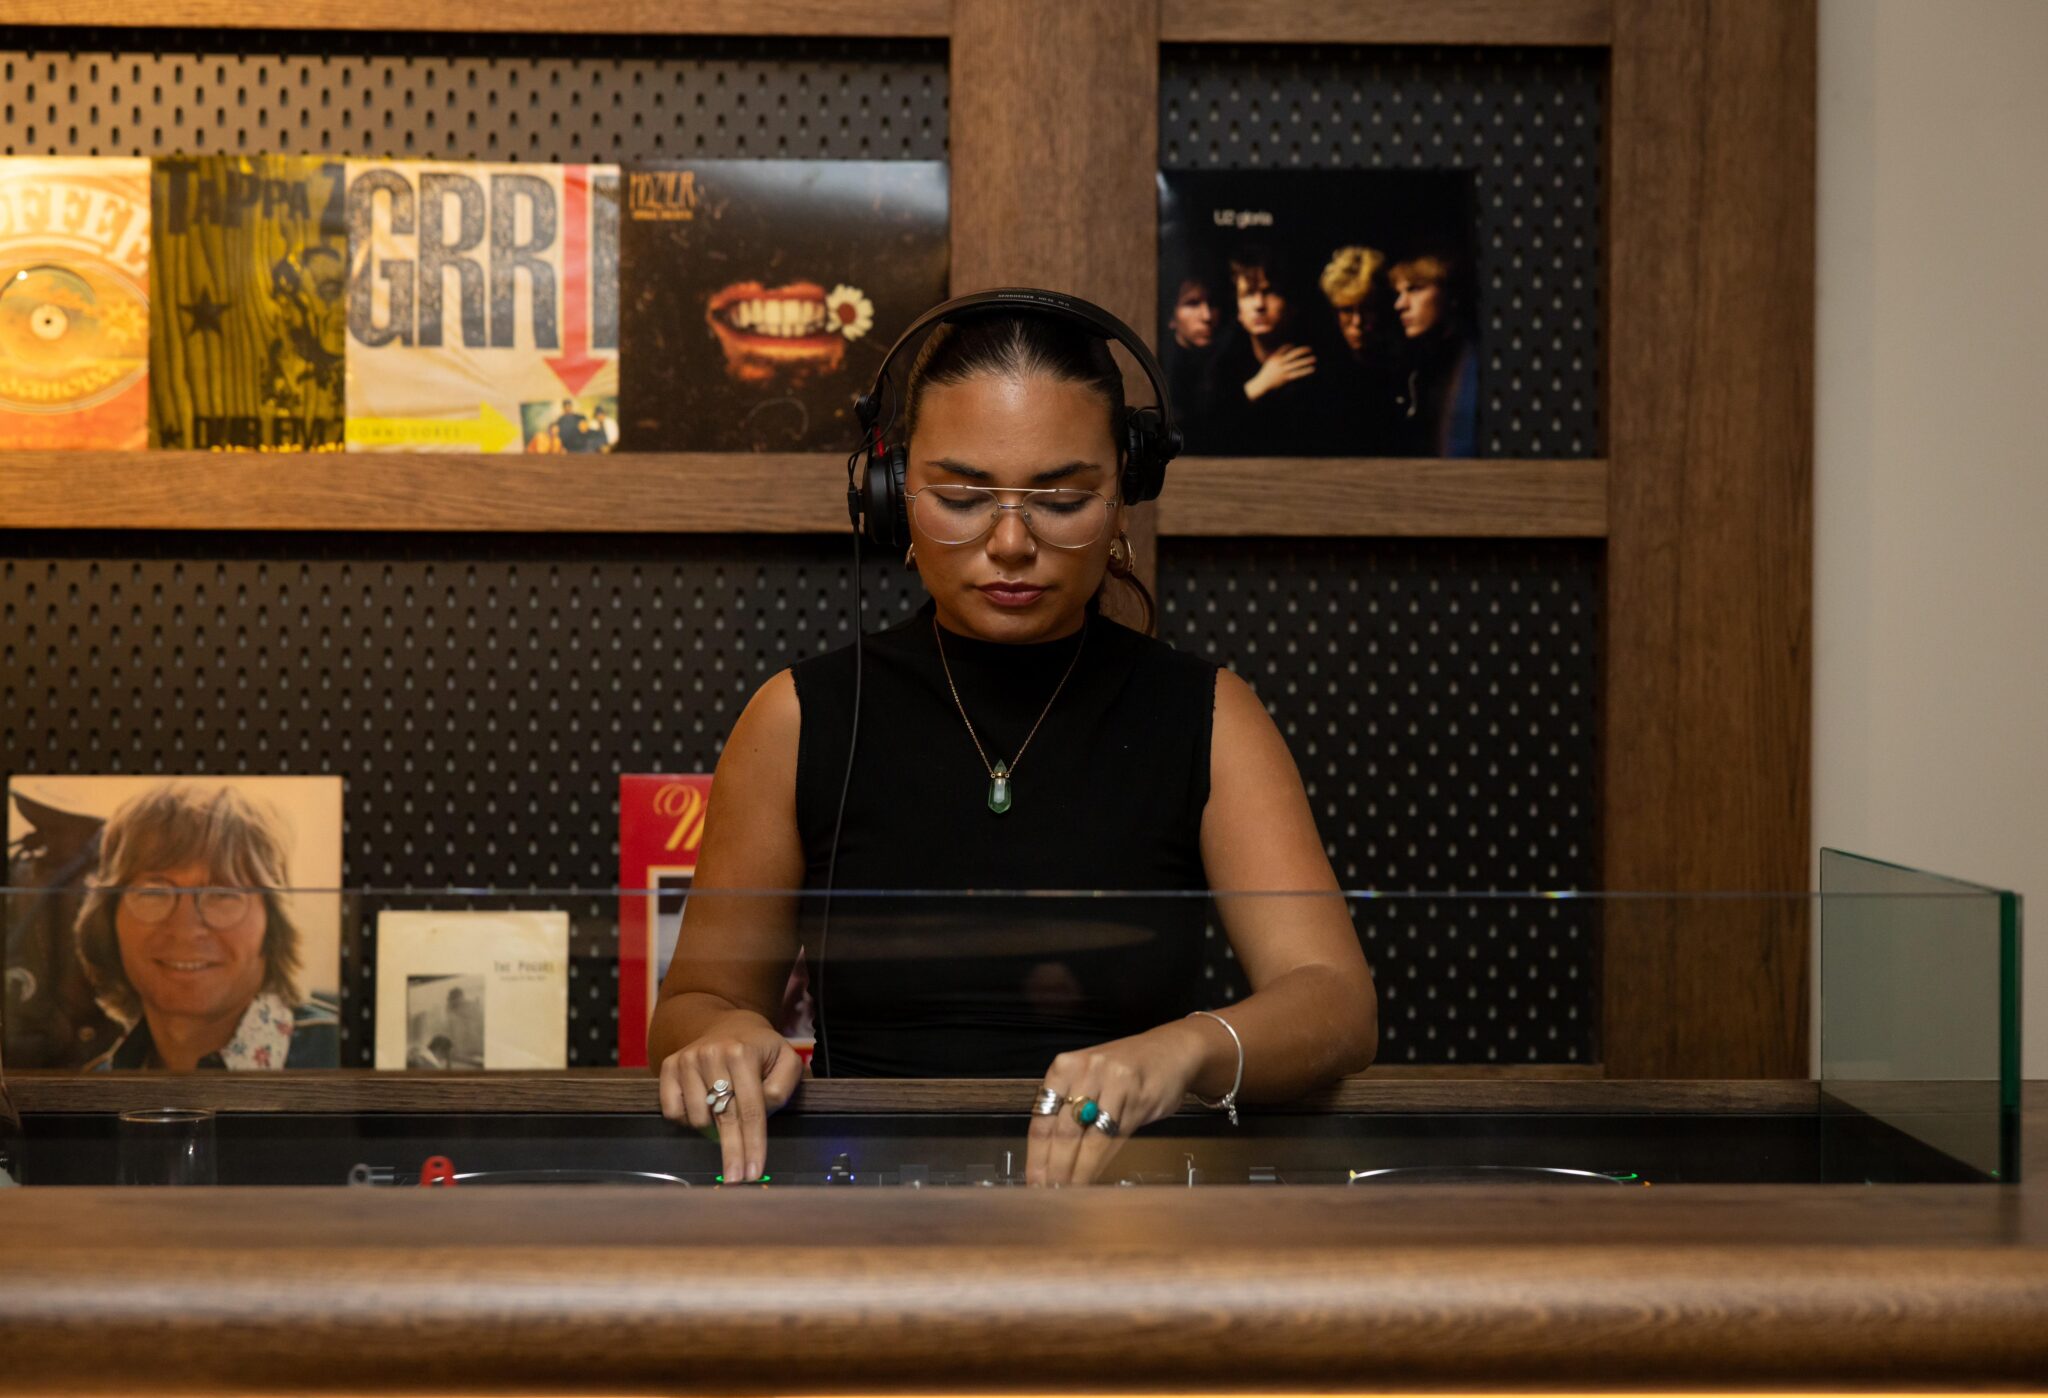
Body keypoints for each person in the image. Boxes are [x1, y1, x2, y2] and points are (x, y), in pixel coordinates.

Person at [649, 299, 1377, 1185]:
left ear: (1123, 497)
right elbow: (693, 1004)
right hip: (866, 1217)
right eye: (961, 498)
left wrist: (1188, 1049)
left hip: (1128, 1220)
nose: (1008, 543)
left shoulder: (1213, 715)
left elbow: (1335, 1002)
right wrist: (723, 1035)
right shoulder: (796, 715)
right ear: (890, 494)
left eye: (1061, 500)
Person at [73, 784, 339, 1071]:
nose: (185, 929)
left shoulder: (341, 1058)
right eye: (155, 893)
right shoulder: (96, 1084)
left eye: (221, 894)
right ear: (109, 920)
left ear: (273, 923)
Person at [1201, 246, 1348, 454]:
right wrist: (1257, 386)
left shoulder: (1319, 364)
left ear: (1291, 304)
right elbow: (1208, 438)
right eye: (1248, 294)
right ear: (1238, 310)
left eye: (1269, 292)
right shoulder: (1222, 367)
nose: (1259, 305)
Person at [1388, 253, 1480, 457]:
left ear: (1451, 294)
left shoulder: (1470, 360)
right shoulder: (1414, 364)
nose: (1400, 304)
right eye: (1399, 293)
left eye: (1414, 289)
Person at [1317, 245, 1403, 454]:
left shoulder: (1404, 366)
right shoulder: (1321, 371)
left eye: (1367, 308)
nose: (1357, 322)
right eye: (1347, 310)